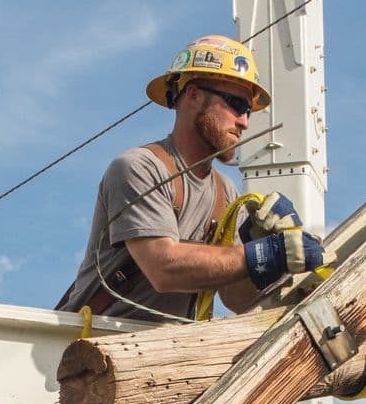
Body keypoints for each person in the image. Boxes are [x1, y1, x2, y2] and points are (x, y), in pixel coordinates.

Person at [57, 35, 326, 322]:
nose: (244, 122)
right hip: (95, 341)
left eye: (248, 111)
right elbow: (163, 268)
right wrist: (260, 254)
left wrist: (261, 252)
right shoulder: (139, 168)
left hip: (167, 348)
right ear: (195, 95)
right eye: (235, 104)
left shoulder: (225, 192)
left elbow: (236, 299)